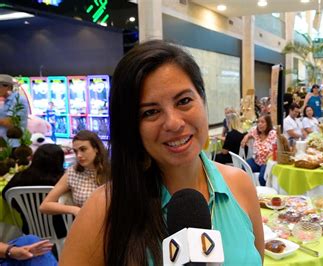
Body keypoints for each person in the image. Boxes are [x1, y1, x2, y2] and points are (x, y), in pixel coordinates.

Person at [60, 40, 263, 265]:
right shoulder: (104, 210)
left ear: (202, 100)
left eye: (184, 101)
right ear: (131, 127)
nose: (174, 123)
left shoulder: (240, 185)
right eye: (150, 112)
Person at [40, 130, 109, 216]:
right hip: (85, 221)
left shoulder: (111, 171)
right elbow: (44, 206)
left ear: (96, 149)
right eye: (76, 151)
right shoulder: (73, 173)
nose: (79, 155)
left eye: (83, 149)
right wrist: (74, 209)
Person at [2, 144, 66, 237]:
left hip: (28, 228)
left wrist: (25, 208)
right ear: (60, 161)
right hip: (60, 230)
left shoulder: (20, 177)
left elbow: (6, 195)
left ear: (35, 158)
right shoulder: (62, 180)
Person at [241, 115, 277, 186]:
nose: (259, 124)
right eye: (258, 122)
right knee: (243, 167)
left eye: (262, 122)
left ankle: (265, 194)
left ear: (268, 124)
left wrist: (272, 154)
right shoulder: (256, 132)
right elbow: (249, 134)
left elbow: (277, 148)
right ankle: (248, 188)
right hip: (256, 160)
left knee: (262, 178)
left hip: (266, 162)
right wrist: (246, 137)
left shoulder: (272, 133)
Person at [0, 75, 30, 145]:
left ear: (8, 87)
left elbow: (11, 123)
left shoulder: (18, 100)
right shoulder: (5, 101)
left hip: (13, 144)